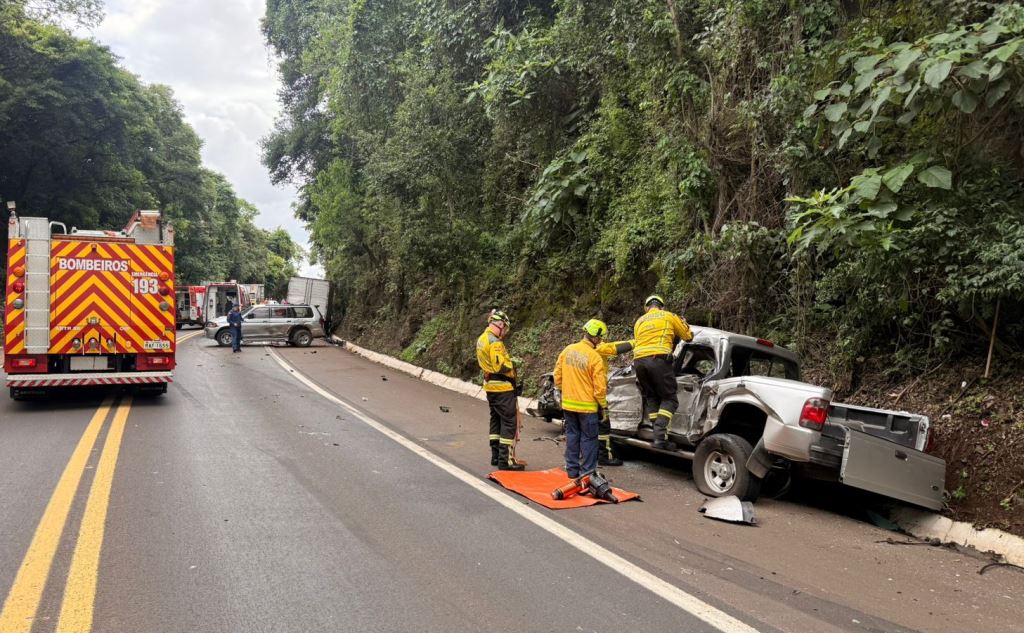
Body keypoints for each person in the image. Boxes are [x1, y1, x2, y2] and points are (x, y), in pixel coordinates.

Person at [633, 295, 693, 450]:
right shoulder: (669, 316)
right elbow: (688, 337)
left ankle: (657, 435)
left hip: (639, 362)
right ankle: (660, 437)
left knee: (652, 396)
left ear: (647, 308)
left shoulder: (639, 321)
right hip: (658, 360)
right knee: (670, 399)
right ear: (662, 306)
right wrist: (683, 323)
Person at [553, 319, 609, 478]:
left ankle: (571, 471)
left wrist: (567, 390)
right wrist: (603, 406)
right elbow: (600, 388)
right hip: (587, 408)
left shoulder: (567, 350)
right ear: (596, 338)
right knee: (589, 440)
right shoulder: (595, 357)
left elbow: (557, 377)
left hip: (569, 406)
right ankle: (587, 474)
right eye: (601, 338)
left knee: (572, 436)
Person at [476, 309, 524, 470]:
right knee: (509, 421)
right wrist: (513, 364)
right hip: (502, 387)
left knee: (496, 420)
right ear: (501, 325)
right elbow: (499, 365)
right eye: (505, 328)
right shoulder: (495, 342)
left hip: (490, 387)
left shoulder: (482, 339)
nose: (505, 332)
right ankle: (506, 460)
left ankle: (496, 457)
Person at [594, 338, 634, 466]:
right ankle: (603, 457)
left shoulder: (577, 351)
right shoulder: (597, 348)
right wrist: (636, 342)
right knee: (603, 426)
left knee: (585, 429)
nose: (602, 341)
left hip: (579, 397)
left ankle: (587, 455)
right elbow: (614, 348)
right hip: (594, 397)